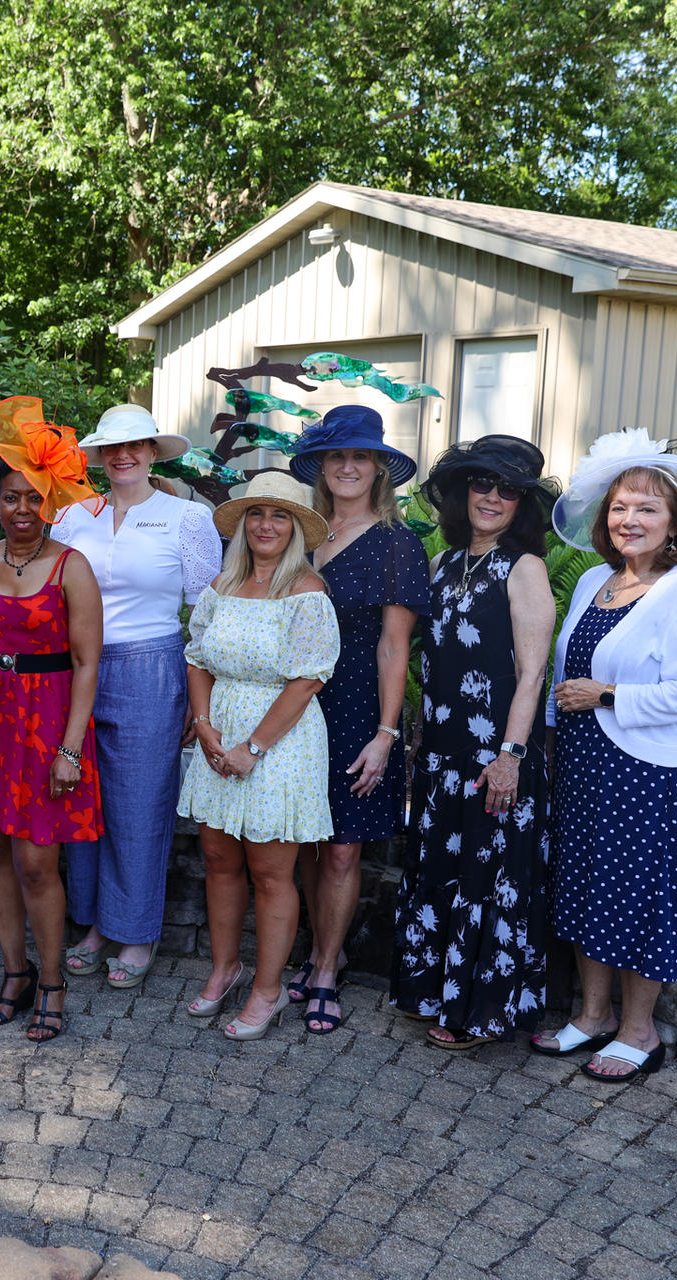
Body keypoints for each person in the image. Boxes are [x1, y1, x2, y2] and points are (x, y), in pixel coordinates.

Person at [535, 430, 677, 1083]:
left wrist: (609, 694)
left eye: (647, 508)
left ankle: (638, 1032)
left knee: (645, 895)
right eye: (620, 507)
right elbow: (566, 672)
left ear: (674, 523)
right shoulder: (595, 579)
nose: (630, 520)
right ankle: (590, 1017)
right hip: (590, 761)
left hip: (660, 771)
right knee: (590, 883)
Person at [391, 436, 558, 1049]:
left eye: (507, 489)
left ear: (522, 505)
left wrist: (510, 757)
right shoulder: (442, 563)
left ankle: (476, 1010)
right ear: (463, 492)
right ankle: (430, 990)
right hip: (441, 753)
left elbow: (532, 672)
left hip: (494, 757)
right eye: (481, 484)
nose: (491, 497)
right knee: (441, 873)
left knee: (486, 880)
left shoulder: (524, 568)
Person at [0, 397, 105, 1043]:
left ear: (53, 503)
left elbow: (87, 664)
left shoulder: (74, 568)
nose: (23, 510)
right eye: (11, 497)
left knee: (38, 860)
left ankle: (52, 980)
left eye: (34, 499)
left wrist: (70, 749)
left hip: (48, 721)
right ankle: (13, 974)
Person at [54, 405, 217, 991]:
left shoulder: (188, 519)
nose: (123, 456)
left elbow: (206, 615)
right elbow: (51, 599)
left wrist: (202, 702)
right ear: (98, 457)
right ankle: (95, 924)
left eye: (136, 446)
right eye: (112, 448)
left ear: (153, 452)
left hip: (153, 665)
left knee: (141, 806)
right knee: (83, 801)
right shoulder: (73, 518)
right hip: (77, 669)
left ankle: (136, 931)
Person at [177, 472, 339, 1042]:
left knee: (271, 874)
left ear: (295, 528)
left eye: (279, 516)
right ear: (243, 524)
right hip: (218, 733)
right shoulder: (222, 584)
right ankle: (225, 968)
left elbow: (306, 681)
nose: (265, 525)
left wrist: (252, 748)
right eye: (255, 514)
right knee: (219, 860)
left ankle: (268, 990)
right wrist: (203, 725)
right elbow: (197, 658)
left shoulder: (307, 593)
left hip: (280, 742)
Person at [284, 406, 428, 1034]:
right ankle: (327, 947)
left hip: (357, 711)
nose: (347, 466)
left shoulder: (396, 542)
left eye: (360, 457)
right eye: (337, 456)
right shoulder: (299, 532)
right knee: (308, 846)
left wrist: (386, 734)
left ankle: (322, 971)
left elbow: (394, 646)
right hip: (292, 704)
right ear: (320, 466)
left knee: (342, 849)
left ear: (378, 470)